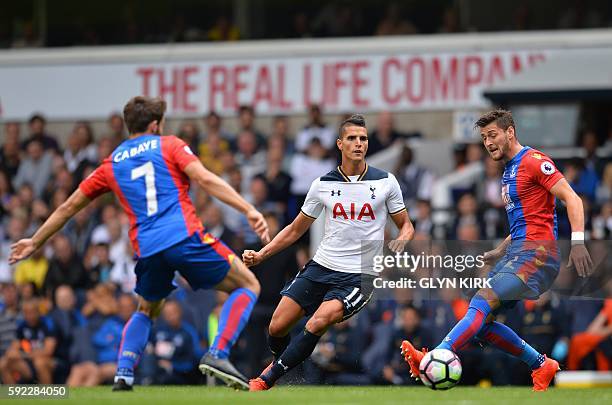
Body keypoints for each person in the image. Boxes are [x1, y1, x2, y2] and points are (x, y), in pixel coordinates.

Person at [9, 96, 270, 391]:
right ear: (155, 125)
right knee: (248, 284)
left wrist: (35, 240)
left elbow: (69, 206)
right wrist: (248, 209)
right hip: (183, 236)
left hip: (147, 248)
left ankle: (123, 373)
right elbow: (205, 179)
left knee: (146, 309)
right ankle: (218, 353)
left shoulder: (111, 163)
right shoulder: (169, 144)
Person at [401, 109, 593, 392]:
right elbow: (524, 223)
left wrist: (577, 242)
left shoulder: (534, 161)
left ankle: (436, 354)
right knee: (482, 322)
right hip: (518, 254)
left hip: (538, 256)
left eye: (493, 135)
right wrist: (499, 250)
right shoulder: (509, 172)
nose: (488, 142)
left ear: (510, 132)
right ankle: (541, 364)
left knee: (482, 300)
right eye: (483, 138)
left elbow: (572, 199)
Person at [244, 114, 415, 391]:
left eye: (363, 138)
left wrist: (403, 238)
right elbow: (295, 229)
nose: (358, 143)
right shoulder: (322, 184)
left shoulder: (386, 182)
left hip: (359, 275)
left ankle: (266, 380)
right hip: (322, 265)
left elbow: (406, 225)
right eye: (352, 138)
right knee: (276, 327)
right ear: (339, 144)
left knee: (318, 321)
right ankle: (285, 363)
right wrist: (262, 254)